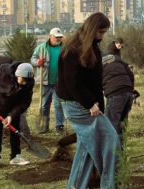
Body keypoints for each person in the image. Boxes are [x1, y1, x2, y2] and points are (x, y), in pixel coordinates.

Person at [55, 12, 120, 189]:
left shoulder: (89, 46)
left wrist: (99, 104)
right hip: (78, 106)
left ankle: (76, 186)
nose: (102, 36)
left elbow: (94, 81)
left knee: (87, 149)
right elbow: (72, 82)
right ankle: (109, 184)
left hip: (85, 104)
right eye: (101, 32)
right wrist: (90, 104)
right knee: (110, 141)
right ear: (93, 29)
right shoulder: (73, 49)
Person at [0, 45, 31, 138]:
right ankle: (24, 134)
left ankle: (3, 136)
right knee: (17, 114)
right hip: (14, 92)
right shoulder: (9, 60)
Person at [31, 27, 65, 133]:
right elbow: (32, 59)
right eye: (56, 37)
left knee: (58, 105)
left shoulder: (64, 48)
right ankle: (44, 125)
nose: (58, 39)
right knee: (44, 105)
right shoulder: (42, 48)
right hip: (45, 81)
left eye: (60, 37)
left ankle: (59, 126)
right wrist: (37, 62)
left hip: (59, 82)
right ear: (50, 36)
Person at [102, 49, 134, 145]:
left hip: (115, 94)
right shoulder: (116, 58)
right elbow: (130, 73)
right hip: (128, 92)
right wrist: (131, 88)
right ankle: (121, 151)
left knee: (111, 125)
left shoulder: (96, 64)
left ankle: (113, 154)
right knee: (122, 123)